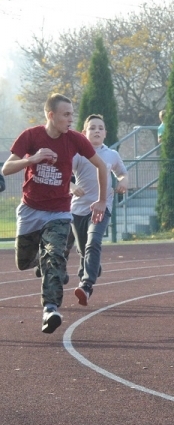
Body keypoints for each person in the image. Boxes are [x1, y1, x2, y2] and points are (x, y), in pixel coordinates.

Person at [4, 95, 108, 333]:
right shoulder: (31, 136)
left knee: (55, 256)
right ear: (51, 115)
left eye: (72, 114)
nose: (71, 119)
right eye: (66, 114)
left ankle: (50, 309)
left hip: (59, 212)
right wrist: (34, 159)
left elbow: (101, 166)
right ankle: (46, 262)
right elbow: (7, 168)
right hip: (30, 210)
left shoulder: (75, 139)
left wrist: (102, 200)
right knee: (23, 262)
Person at [68, 114, 129, 305]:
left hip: (103, 207)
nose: (96, 131)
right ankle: (92, 267)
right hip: (79, 209)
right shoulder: (78, 154)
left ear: (105, 133)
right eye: (92, 128)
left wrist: (123, 182)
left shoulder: (112, 154)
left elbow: (122, 173)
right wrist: (72, 187)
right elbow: (64, 175)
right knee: (83, 249)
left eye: (100, 128)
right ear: (84, 132)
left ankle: (86, 285)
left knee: (93, 242)